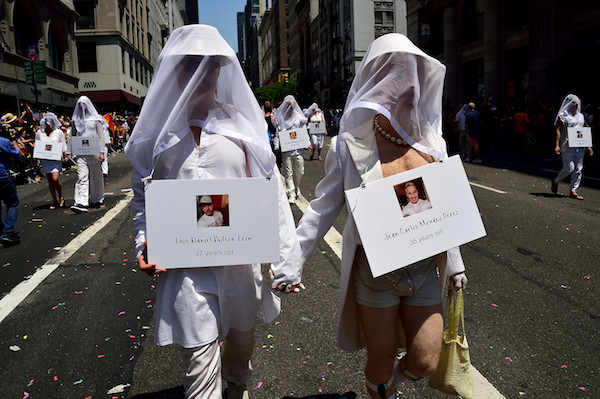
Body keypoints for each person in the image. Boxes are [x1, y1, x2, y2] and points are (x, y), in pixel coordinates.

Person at [125, 25, 303, 399]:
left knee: (239, 360)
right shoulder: (156, 135)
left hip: (241, 267)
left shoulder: (243, 127)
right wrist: (145, 243)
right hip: (186, 272)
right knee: (200, 372)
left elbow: (269, 192)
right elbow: (143, 197)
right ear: (175, 71)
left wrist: (287, 262)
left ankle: (237, 388)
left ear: (221, 70)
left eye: (211, 64)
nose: (201, 72)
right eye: (190, 64)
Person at [295, 33, 467, 399]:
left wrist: (455, 265)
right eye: (396, 73)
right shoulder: (349, 145)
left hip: (424, 271)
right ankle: (381, 387)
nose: (407, 82)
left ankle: (390, 385)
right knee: (379, 359)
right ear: (377, 81)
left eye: (413, 73)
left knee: (424, 361)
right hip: (375, 273)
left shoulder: (434, 144)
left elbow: (444, 212)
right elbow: (323, 206)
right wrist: (290, 263)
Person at [550, 94, 594, 200]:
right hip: (567, 145)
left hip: (580, 146)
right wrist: (557, 145)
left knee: (578, 169)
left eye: (577, 102)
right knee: (569, 168)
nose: (575, 104)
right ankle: (556, 181)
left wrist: (588, 146)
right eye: (573, 102)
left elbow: (583, 132)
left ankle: (573, 190)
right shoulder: (563, 115)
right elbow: (558, 130)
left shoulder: (581, 116)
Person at [69, 96, 106, 213]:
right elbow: (72, 136)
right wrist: (68, 151)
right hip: (81, 152)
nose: (82, 107)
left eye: (84, 104)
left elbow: (101, 136)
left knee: (96, 176)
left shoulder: (96, 119)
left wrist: (101, 152)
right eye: (80, 104)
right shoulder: (76, 120)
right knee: (82, 176)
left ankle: (97, 199)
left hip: (94, 152)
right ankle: (81, 201)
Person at [274, 95, 308, 203]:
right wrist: (276, 147)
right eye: (288, 104)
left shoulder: (299, 117)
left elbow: (303, 131)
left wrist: (308, 143)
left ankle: (296, 186)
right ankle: (291, 193)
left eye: (292, 103)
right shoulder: (281, 119)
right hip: (286, 149)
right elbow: (277, 134)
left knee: (300, 171)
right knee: (288, 172)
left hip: (298, 149)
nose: (290, 106)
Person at [35, 112, 68, 209]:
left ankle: (61, 196)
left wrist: (66, 154)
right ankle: (54, 200)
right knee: (50, 181)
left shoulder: (59, 132)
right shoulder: (39, 133)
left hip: (55, 159)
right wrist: (35, 160)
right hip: (45, 159)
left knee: (55, 178)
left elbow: (63, 145)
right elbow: (37, 145)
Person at [0, 124, 21, 247]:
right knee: (13, 203)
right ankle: (8, 233)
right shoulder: (4, 142)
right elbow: (17, 155)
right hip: (2, 177)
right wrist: (13, 139)